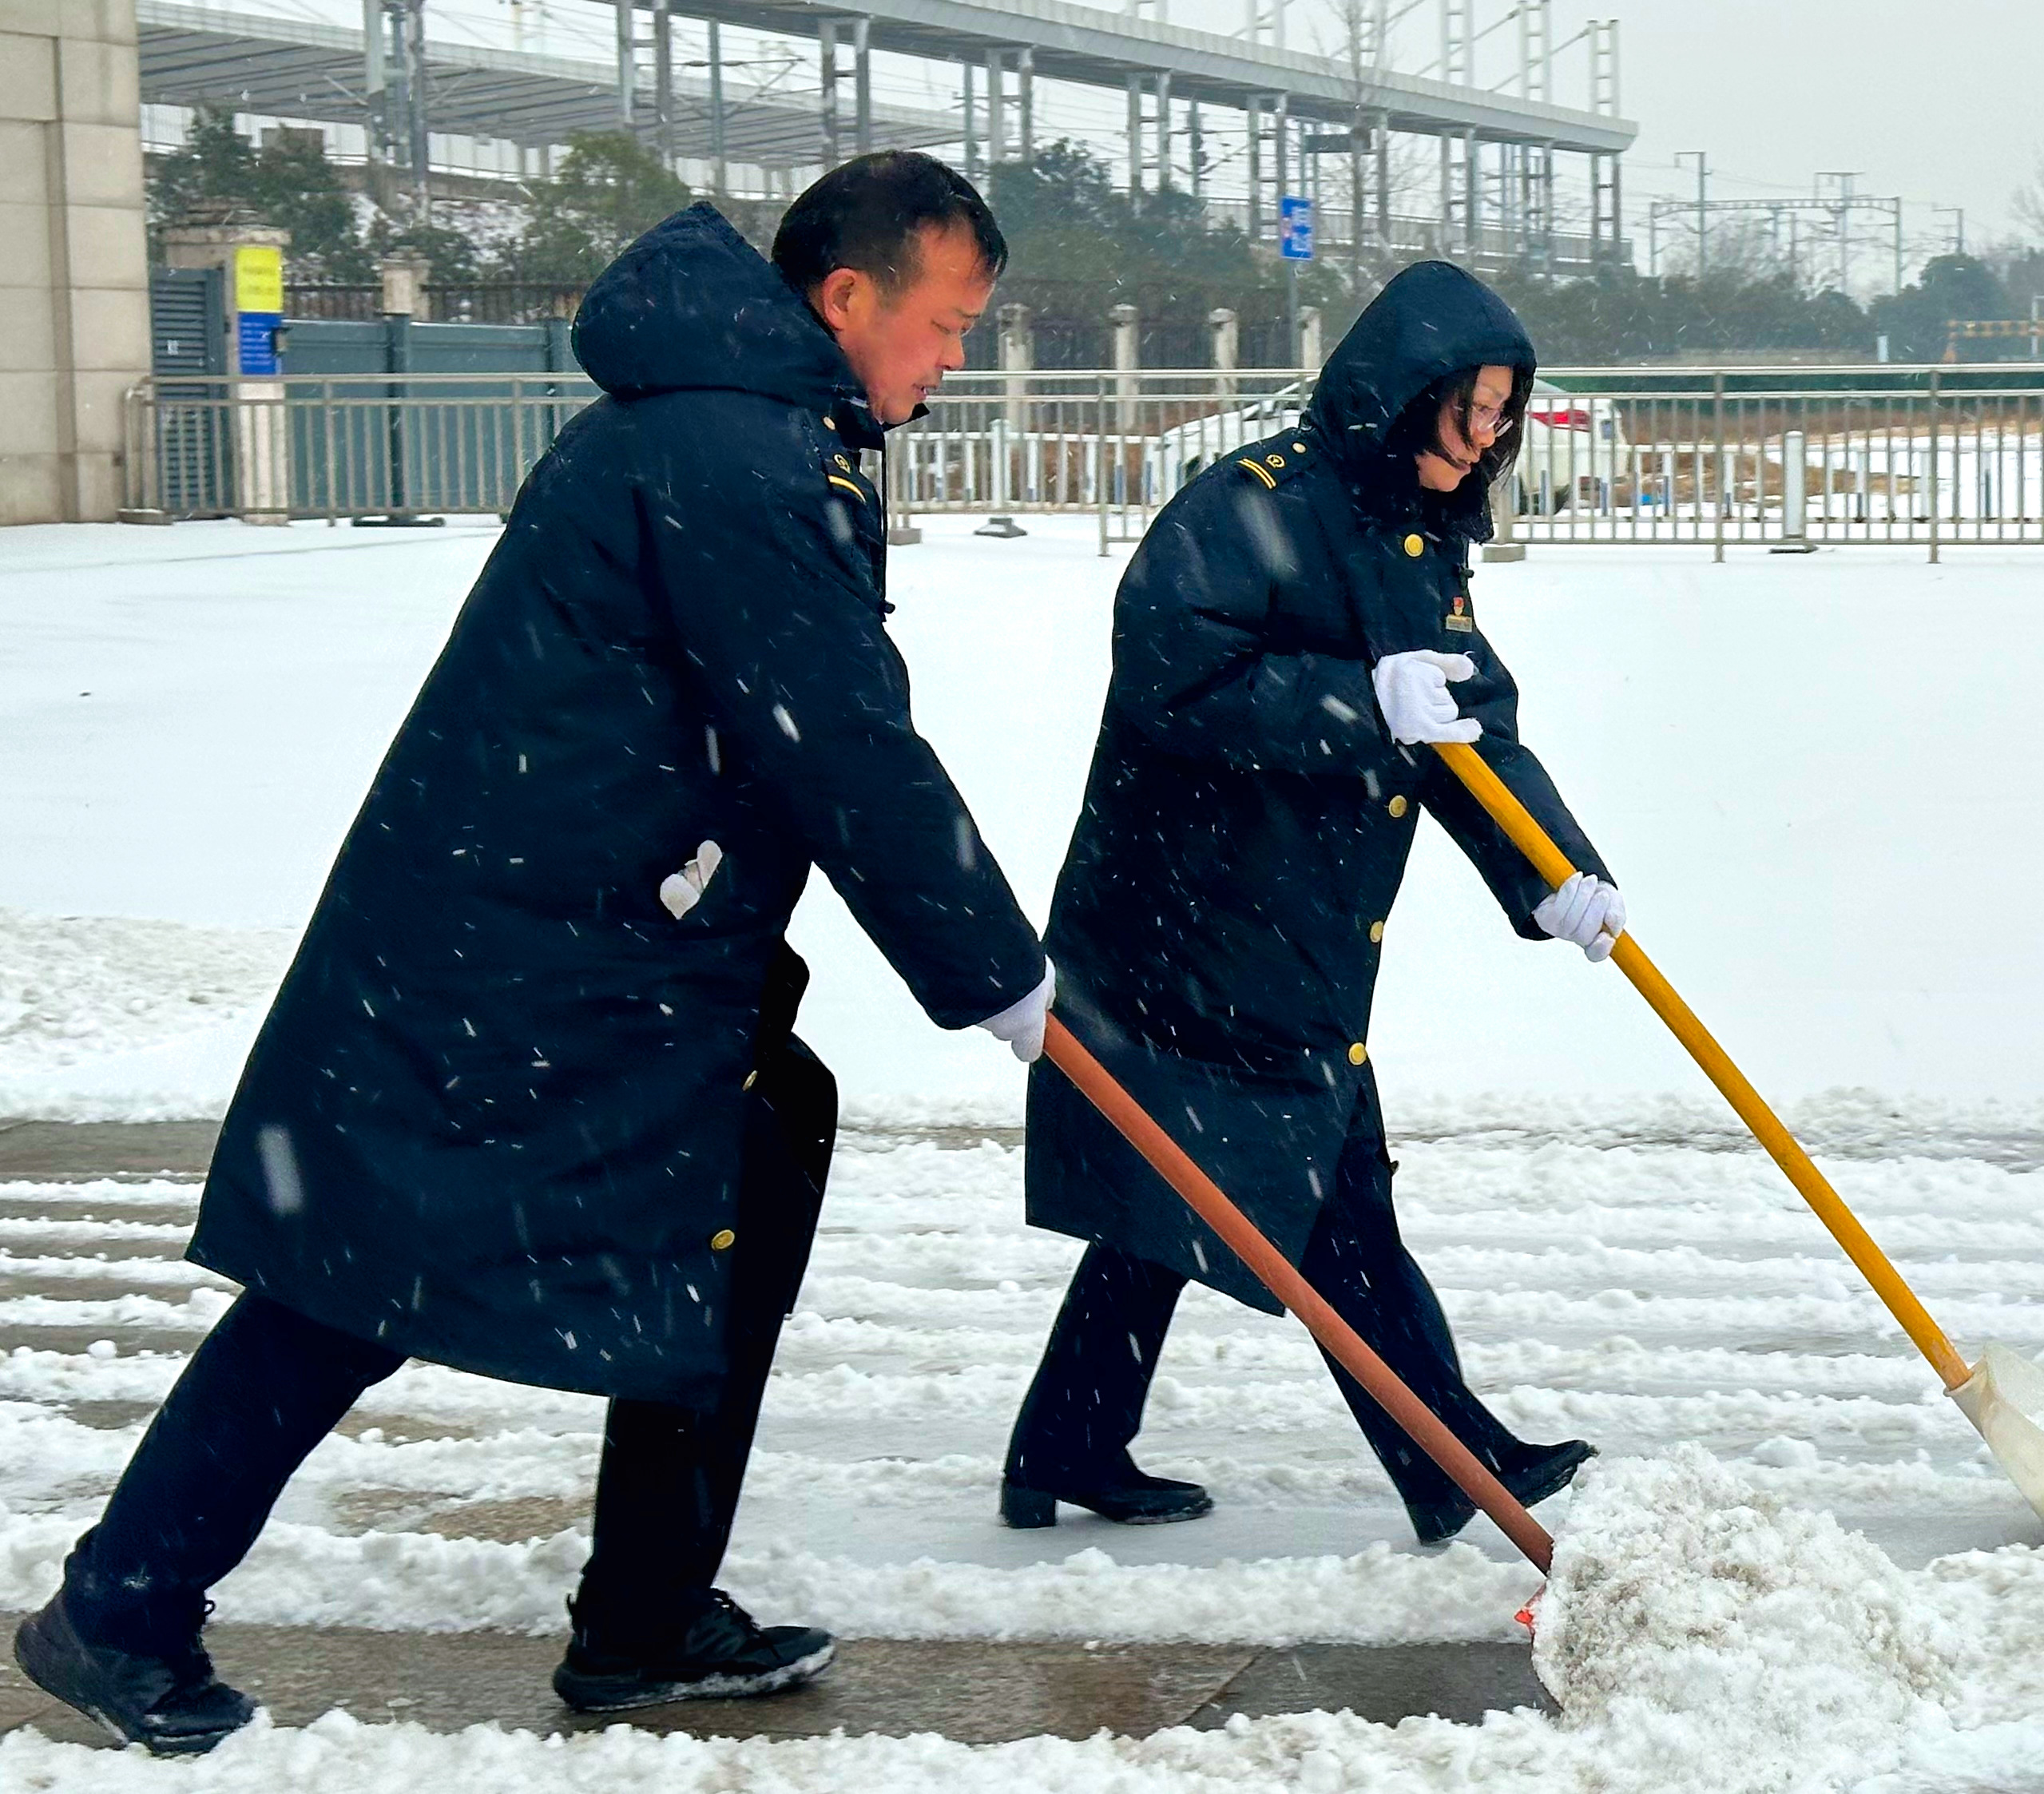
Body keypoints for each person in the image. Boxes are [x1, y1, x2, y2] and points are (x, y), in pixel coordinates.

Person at [12, 153, 1056, 1755]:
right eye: (948, 320)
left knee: (743, 1168)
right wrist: (996, 973)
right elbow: (839, 742)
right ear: (849, 298)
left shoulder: (745, 428)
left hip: (599, 928)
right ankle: (120, 1608)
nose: (956, 355)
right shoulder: (738, 450)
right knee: (359, 1274)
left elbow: (788, 730)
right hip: (517, 950)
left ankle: (644, 1615)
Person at [1002, 261, 1616, 1546]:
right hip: (1191, 912)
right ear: (1402, 394)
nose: (1486, 437)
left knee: (1186, 1172)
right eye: (1469, 409)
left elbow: (1464, 728)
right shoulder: (1250, 505)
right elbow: (1171, 677)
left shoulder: (1412, 535)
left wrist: (1553, 870)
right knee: (1329, 1191)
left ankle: (1068, 1436)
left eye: (1502, 414)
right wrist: (1354, 704)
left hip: (1285, 919)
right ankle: (1451, 1456)